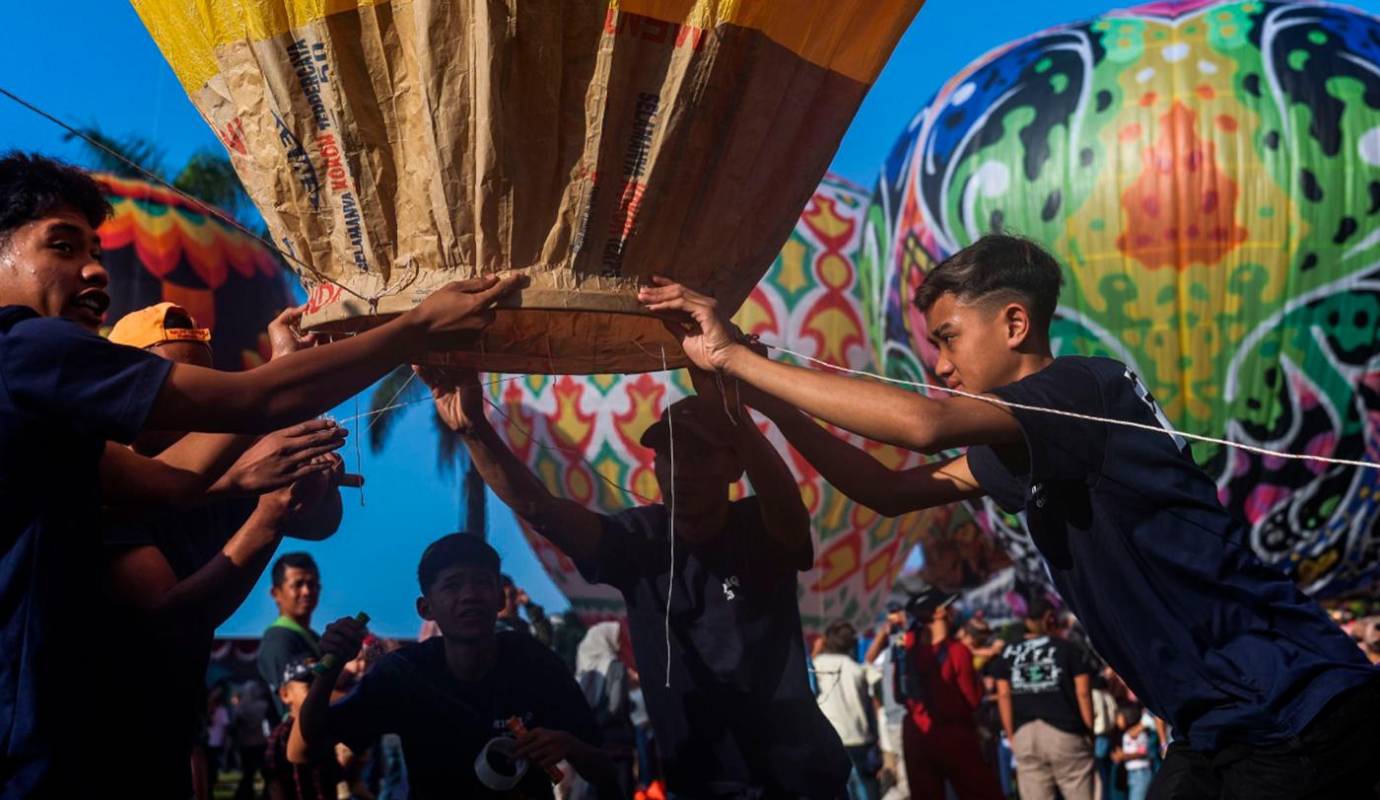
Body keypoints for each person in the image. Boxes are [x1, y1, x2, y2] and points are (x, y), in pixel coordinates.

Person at [638, 234, 1380, 798]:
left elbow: (922, 425)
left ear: (1016, 323)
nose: (940, 363)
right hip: (1221, 725)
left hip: (1295, 705)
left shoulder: (1080, 389)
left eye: (948, 338)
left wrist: (737, 359)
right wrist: (768, 398)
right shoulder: (1026, 444)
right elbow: (888, 492)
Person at [0, 151, 517, 795]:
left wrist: (276, 426)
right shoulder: (25, 346)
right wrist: (414, 329)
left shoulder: (61, 435)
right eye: (63, 246)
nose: (95, 270)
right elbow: (253, 408)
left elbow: (179, 480)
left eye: (96, 251)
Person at [420, 367, 852, 799]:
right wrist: (474, 429)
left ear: (735, 465)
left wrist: (737, 411)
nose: (682, 469)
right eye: (668, 454)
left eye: (699, 453)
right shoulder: (639, 540)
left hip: (800, 782)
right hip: (699, 787)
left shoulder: (762, 526)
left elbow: (788, 508)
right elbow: (541, 510)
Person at [96, 302, 347, 797]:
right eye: (177, 386)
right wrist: (270, 513)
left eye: (206, 387)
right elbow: (171, 616)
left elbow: (320, 522)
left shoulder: (219, 474)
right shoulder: (101, 486)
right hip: (92, 741)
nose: (198, 401)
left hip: (167, 733)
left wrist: (311, 474)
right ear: (125, 392)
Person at [289, 533, 617, 798]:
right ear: (425, 608)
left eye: (482, 582)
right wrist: (329, 669)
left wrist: (569, 746)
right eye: (453, 585)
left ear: (501, 600)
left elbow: (605, 770)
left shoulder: (535, 662)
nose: (470, 595)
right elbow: (301, 752)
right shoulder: (404, 674)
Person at [891, 580, 1003, 800]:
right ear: (940, 613)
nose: (954, 612)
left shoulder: (905, 649)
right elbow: (972, 699)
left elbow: (898, 694)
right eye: (950, 607)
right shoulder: (957, 650)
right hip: (954, 733)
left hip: (916, 733)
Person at [991, 597, 1095, 800]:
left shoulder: (1008, 652)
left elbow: (1003, 695)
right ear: (1049, 618)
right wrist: (1089, 730)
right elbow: (1083, 693)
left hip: (1024, 734)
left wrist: (1012, 735)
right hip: (1065, 731)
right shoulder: (1067, 649)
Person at [814, 620, 880, 800]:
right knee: (865, 789)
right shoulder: (857, 669)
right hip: (860, 738)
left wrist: (816, 650)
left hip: (832, 739)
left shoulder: (817, 665)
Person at [572, 621, 636, 800]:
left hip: (590, 740)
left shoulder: (585, 661)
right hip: (616, 742)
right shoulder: (615, 666)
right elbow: (615, 706)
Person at [265, 659, 345, 800]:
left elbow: (335, 775)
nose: (317, 694)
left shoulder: (324, 728)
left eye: (319, 687)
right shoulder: (281, 737)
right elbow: (274, 783)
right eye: (309, 687)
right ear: (285, 695)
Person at [259, 552, 326, 711]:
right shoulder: (278, 639)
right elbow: (301, 703)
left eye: (312, 584)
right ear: (276, 593)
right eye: (298, 584)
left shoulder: (314, 637)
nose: (306, 592)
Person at [498, 573, 554, 646]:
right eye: (511, 595)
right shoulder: (495, 631)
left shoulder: (521, 626)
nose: (518, 600)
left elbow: (544, 644)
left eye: (516, 594)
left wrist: (529, 606)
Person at [1113, 704, 1154, 800]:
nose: (1116, 720)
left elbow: (1143, 752)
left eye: (1119, 716)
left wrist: (1124, 756)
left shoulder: (1138, 734)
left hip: (1140, 773)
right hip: (1132, 774)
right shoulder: (1127, 734)